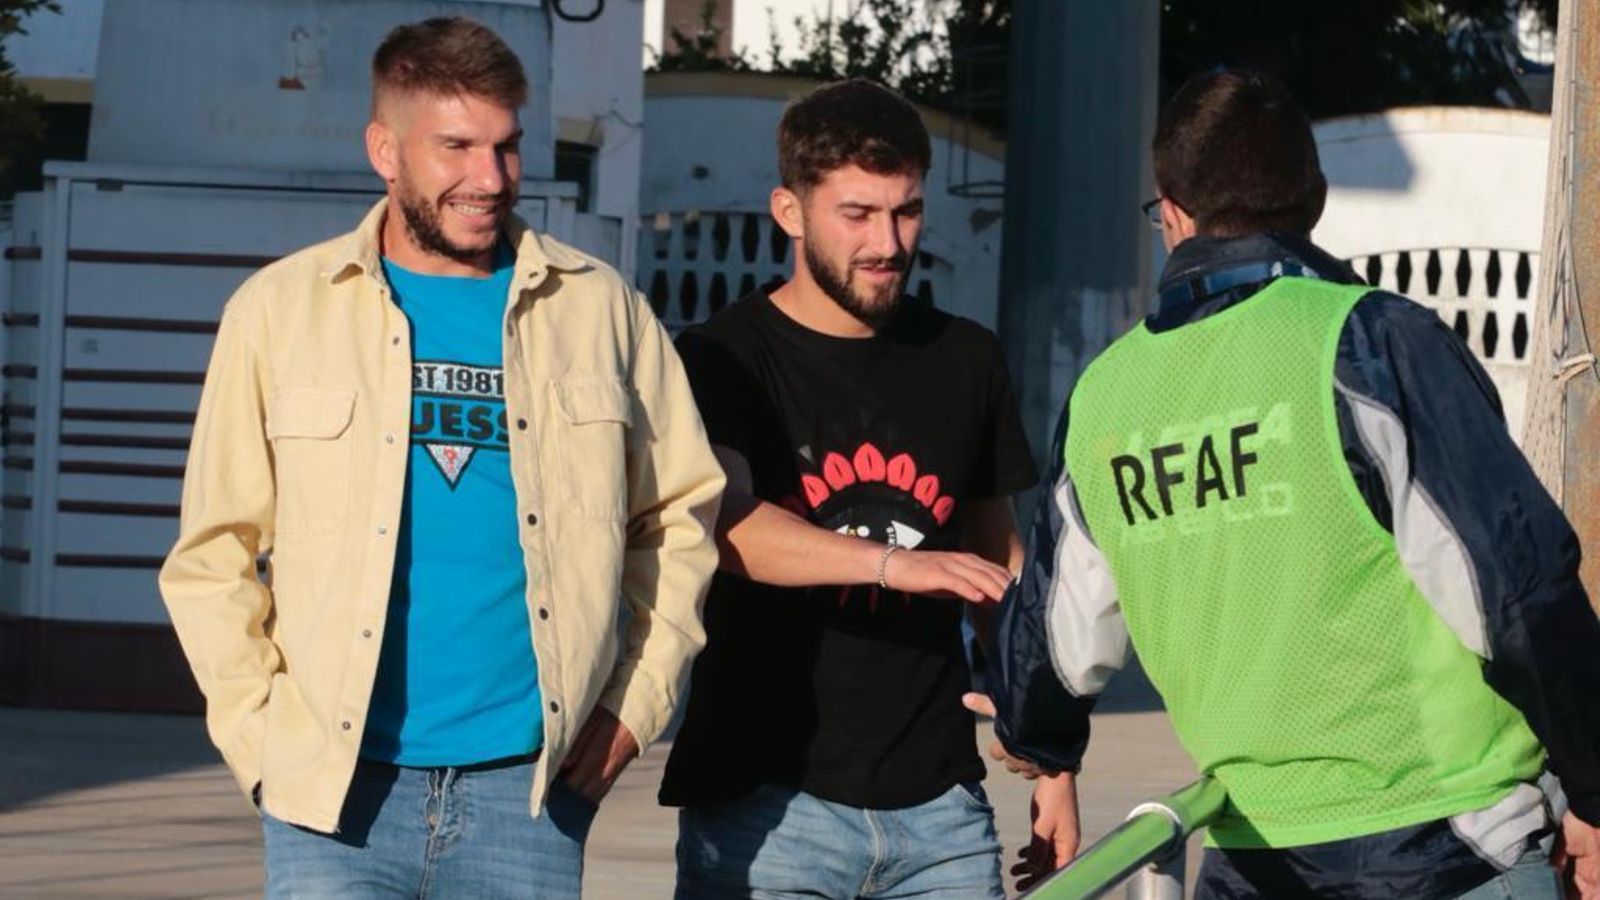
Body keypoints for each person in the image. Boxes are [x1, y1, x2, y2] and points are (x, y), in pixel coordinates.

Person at [978, 69, 1600, 899]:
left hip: (1257, 850)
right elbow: (1516, 588)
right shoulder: (1372, 343)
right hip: (1452, 842)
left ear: (1173, 213)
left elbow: (1059, 637)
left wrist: (1037, 736)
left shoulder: (1106, 396)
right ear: (1314, 197)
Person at [158, 17, 723, 899]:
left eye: (506, 146)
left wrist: (633, 705)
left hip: (527, 798)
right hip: (332, 797)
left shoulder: (597, 310)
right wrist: (261, 739)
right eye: (455, 147)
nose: (489, 179)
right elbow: (212, 552)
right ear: (385, 150)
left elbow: (680, 517)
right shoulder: (279, 311)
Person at [658, 78, 1071, 900]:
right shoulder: (721, 356)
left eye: (907, 211)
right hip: (766, 812)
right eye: (857, 214)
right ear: (789, 211)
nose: (888, 242)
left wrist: (1051, 752)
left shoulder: (965, 357)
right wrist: (895, 565)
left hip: (941, 815)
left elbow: (998, 565)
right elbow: (728, 526)